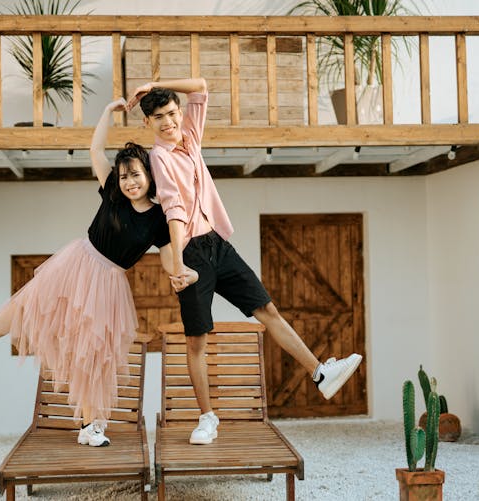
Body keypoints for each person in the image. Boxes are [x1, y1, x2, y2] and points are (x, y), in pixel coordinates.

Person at [0, 98, 197, 447]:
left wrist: (181, 273)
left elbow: (169, 258)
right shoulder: (112, 193)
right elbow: (95, 149)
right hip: (78, 262)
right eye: (124, 176)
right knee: (25, 303)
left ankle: (90, 426)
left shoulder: (158, 217)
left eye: (135, 174)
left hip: (108, 283)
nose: (129, 181)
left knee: (93, 353)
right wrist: (107, 112)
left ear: (150, 175)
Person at [127, 78, 362, 445]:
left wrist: (156, 83)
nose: (168, 121)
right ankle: (207, 418)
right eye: (159, 117)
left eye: (172, 113)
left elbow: (200, 88)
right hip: (190, 253)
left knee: (267, 308)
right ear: (148, 123)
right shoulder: (158, 157)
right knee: (196, 340)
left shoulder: (189, 139)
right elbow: (173, 209)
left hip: (218, 245)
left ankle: (319, 373)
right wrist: (179, 266)